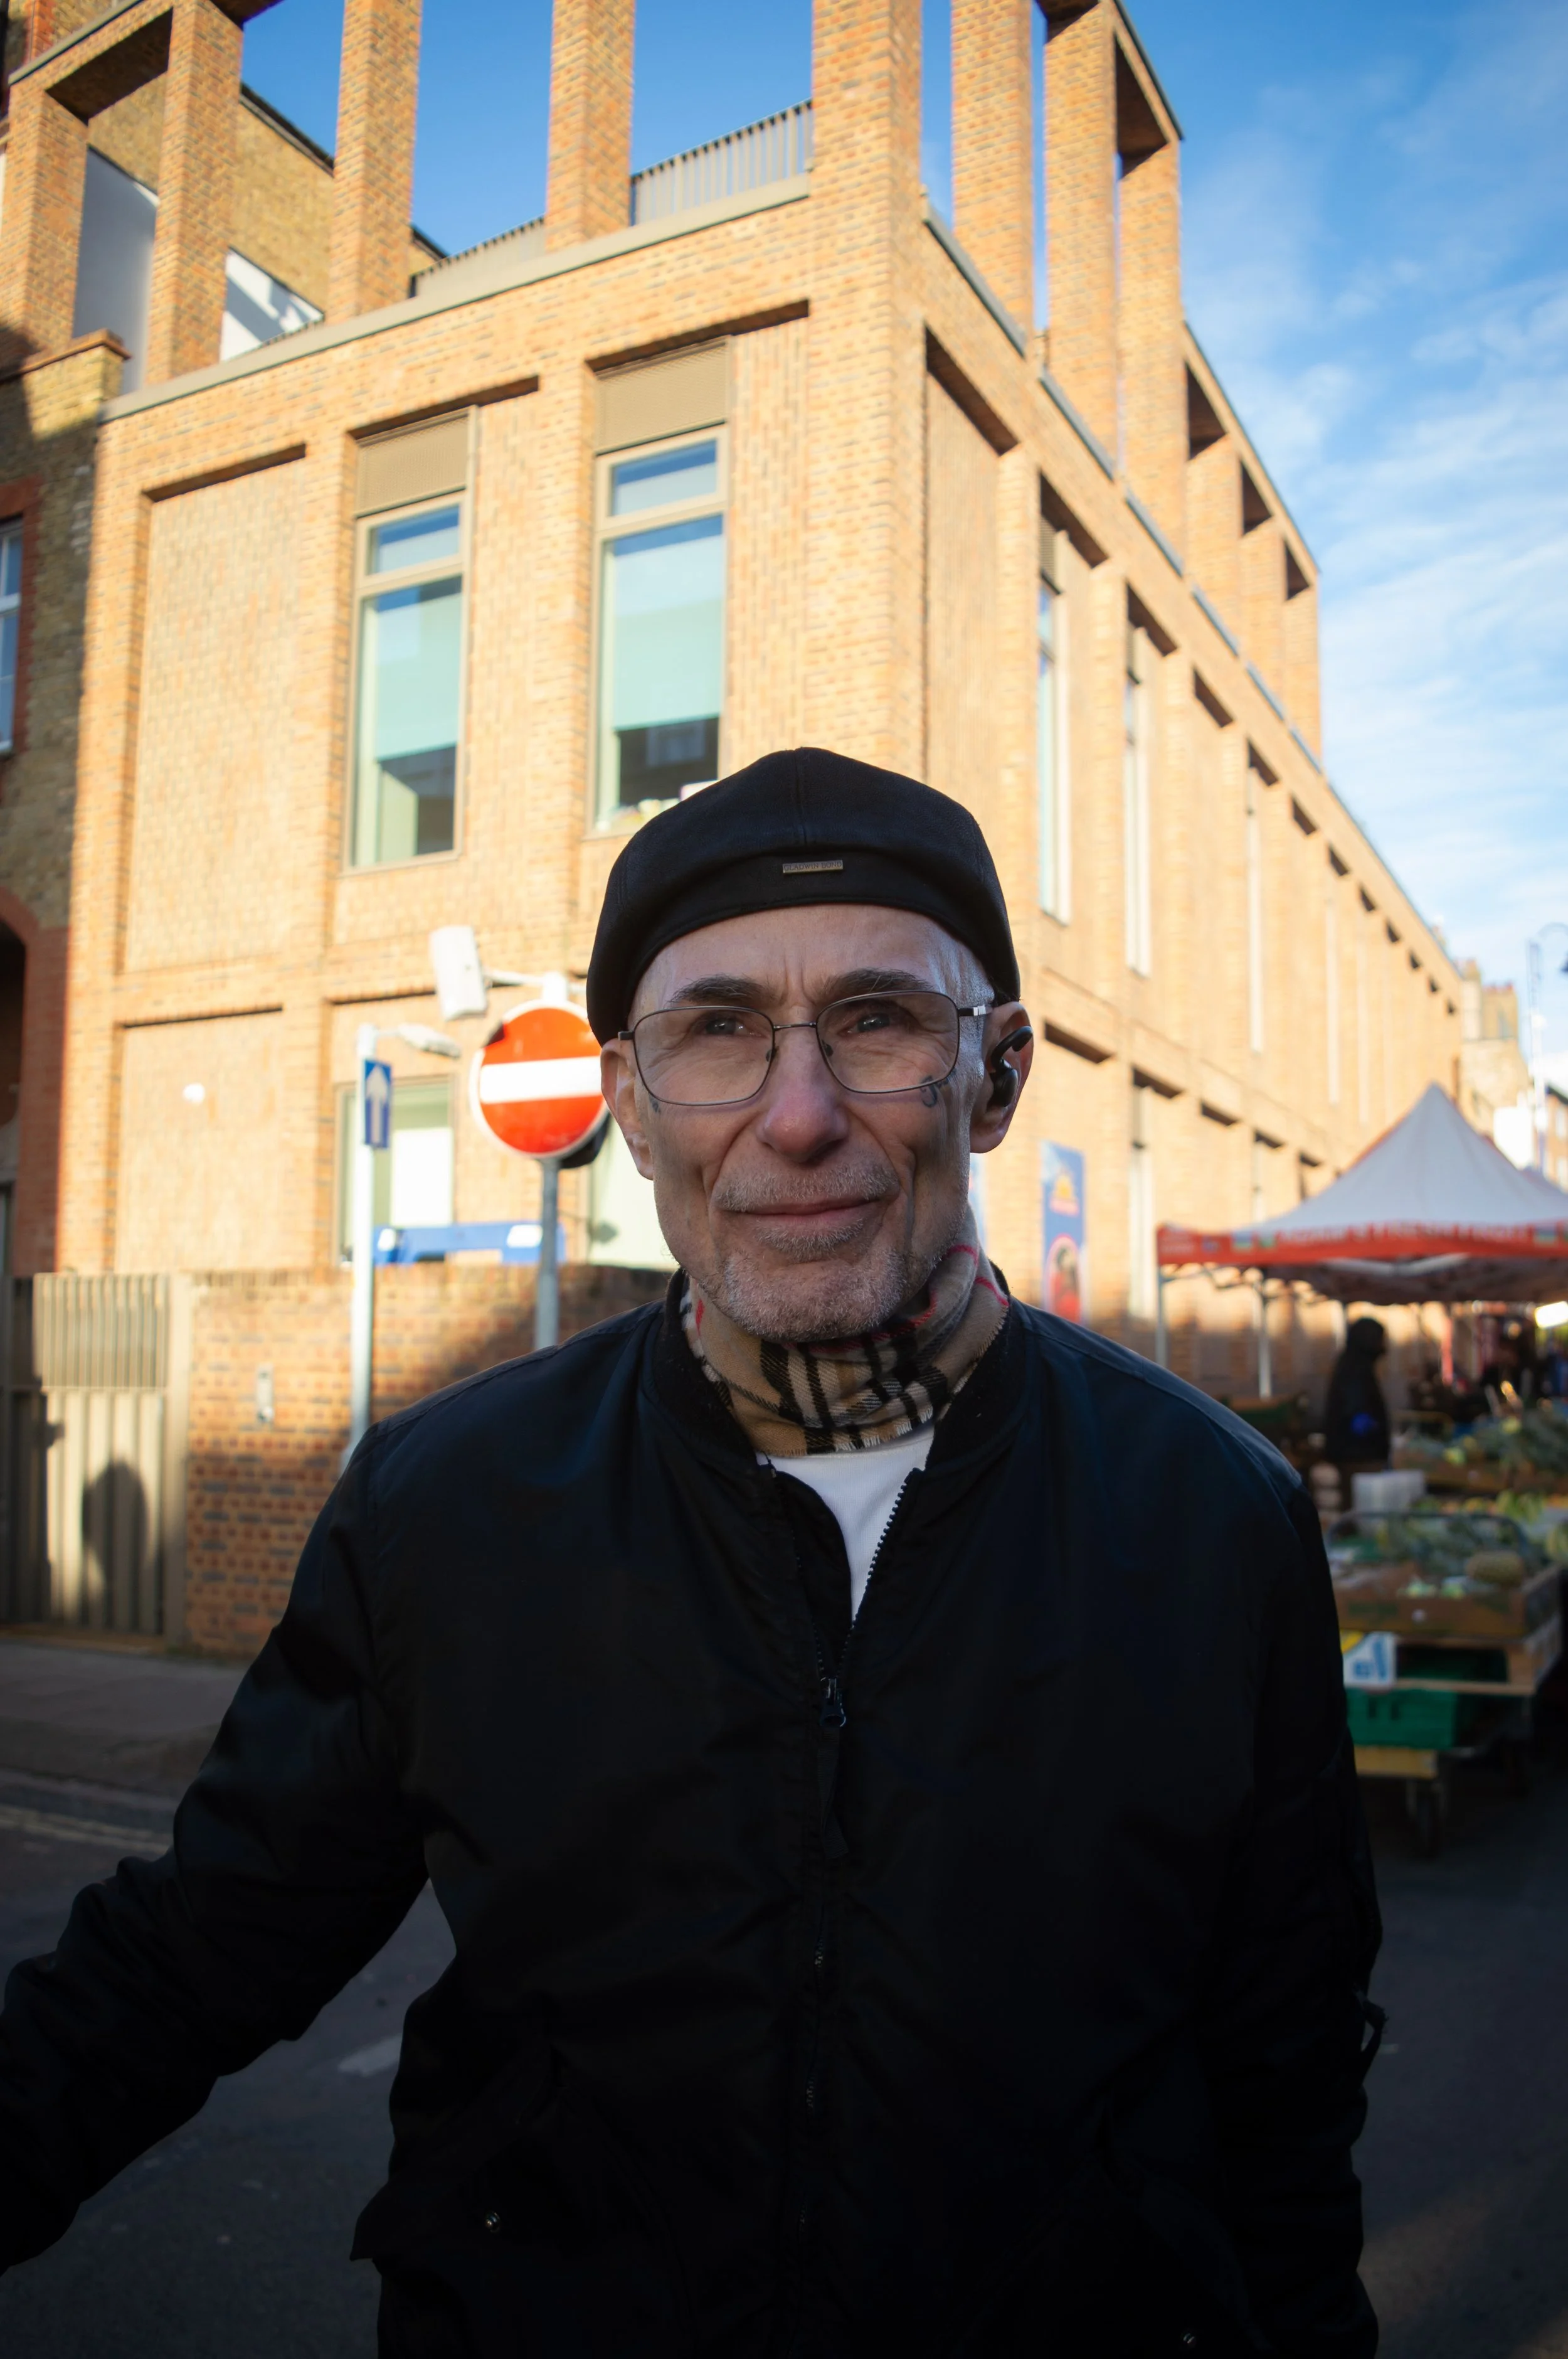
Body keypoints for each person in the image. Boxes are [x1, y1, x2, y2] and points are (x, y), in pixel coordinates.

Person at [0, 750, 1382, 2357]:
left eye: (876, 1021)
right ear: (631, 1106)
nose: (796, 1118)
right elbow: (187, 1962)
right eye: (716, 1031)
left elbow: (1285, 2071)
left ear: (996, 1075)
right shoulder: (451, 1507)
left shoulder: (1210, 1513)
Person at [1324, 1318, 1392, 1471]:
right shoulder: (1355, 1369)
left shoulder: (1354, 1364)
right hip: (1358, 1455)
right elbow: (1356, 1413)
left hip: (1354, 1453)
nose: (1383, 1345)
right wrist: (1374, 1431)